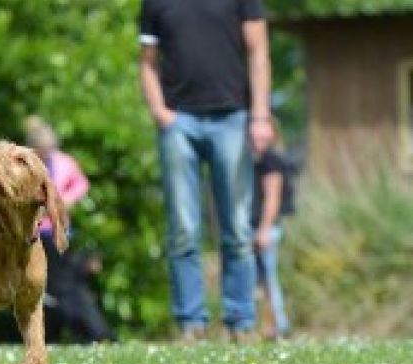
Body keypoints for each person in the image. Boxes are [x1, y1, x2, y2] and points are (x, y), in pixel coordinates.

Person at [138, 0, 274, 342]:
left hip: (232, 118)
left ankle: (241, 322)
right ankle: (191, 324)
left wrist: (260, 115)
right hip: (178, 122)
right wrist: (160, 113)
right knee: (183, 228)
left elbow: (258, 53)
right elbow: (147, 64)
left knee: (238, 229)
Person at [24, 116, 116, 343]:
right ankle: (75, 335)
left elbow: (81, 184)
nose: (46, 154)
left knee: (63, 288)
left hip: (60, 232)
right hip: (36, 234)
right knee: (51, 290)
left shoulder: (64, 162)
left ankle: (94, 334)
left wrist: (65, 200)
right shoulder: (27, 164)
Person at [252, 126, 293, 341]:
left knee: (267, 279)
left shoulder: (270, 161)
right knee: (261, 281)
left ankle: (278, 325)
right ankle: (267, 326)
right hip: (258, 227)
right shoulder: (257, 161)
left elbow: (272, 198)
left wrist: (264, 229)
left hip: (264, 228)